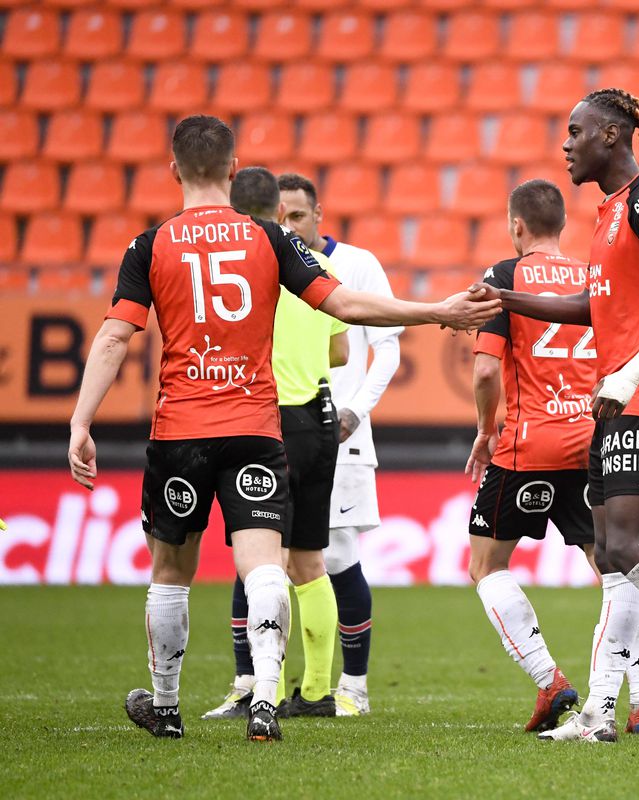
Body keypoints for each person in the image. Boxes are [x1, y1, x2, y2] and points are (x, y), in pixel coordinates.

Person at [67, 114, 498, 742]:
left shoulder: (149, 245)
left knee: (171, 571)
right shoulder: (270, 240)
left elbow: (114, 337)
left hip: (181, 428)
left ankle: (164, 708)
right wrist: (437, 310)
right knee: (266, 565)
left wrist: (82, 421)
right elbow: (345, 305)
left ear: (173, 170)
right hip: (254, 425)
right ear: (235, 169)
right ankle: (266, 702)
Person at [473, 88, 639, 745]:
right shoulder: (607, 216)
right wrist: (503, 297)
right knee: (616, 561)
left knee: (622, 547)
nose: (565, 143)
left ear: (613, 136)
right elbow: (593, 309)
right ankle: (599, 710)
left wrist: (633, 368)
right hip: (614, 400)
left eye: (576, 131)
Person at [466, 178, 639, 736]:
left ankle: (550, 679)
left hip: (530, 445)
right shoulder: (593, 278)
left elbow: (483, 371)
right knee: (622, 572)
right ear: (562, 226)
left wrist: (485, 430)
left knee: (486, 565)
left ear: (516, 226)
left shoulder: (503, 279)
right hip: (595, 441)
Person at [202, 167, 348, 721]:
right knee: (309, 561)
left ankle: (260, 688)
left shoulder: (244, 265)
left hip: (266, 419)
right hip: (319, 416)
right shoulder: (319, 264)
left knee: (264, 564)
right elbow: (340, 354)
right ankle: (315, 693)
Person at [274, 172, 403, 717]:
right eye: (279, 216)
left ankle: (352, 686)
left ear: (318, 214)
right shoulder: (263, 261)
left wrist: (356, 410)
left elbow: (386, 349)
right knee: (271, 559)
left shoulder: (355, 264)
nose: (288, 226)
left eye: (297, 216)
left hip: (341, 433)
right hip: (280, 430)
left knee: (338, 556)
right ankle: (262, 685)